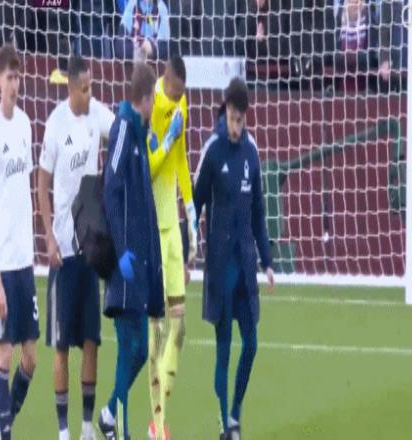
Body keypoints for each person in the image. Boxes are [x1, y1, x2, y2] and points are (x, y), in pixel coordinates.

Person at [38, 55, 115, 440]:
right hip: (63, 251)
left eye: (91, 87)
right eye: (84, 89)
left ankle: (87, 427)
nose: (90, 94)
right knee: (61, 346)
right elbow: (42, 184)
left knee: (91, 341)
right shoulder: (56, 124)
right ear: (71, 88)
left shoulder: (97, 114)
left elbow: (120, 132)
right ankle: (64, 431)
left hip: (91, 248)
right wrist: (49, 236)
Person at [193, 78, 275, 440]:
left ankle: (236, 413)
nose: (236, 126)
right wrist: (189, 245)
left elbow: (258, 210)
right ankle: (224, 423)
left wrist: (267, 260)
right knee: (224, 348)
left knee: (251, 344)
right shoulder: (212, 150)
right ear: (224, 110)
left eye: (241, 120)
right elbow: (194, 202)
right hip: (219, 265)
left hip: (245, 264)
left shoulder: (251, 151)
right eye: (232, 118)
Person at [98, 62, 165, 440]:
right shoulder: (123, 128)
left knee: (140, 350)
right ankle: (118, 430)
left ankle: (110, 415)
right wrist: (122, 250)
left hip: (139, 263)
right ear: (146, 98)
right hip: (125, 264)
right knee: (129, 348)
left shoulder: (139, 133)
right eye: (154, 98)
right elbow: (110, 188)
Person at [0, 44, 39, 440]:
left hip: (25, 261)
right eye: (9, 77)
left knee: (30, 358)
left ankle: (5, 424)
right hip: (4, 264)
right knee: (4, 352)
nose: (15, 84)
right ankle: (5, 432)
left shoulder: (25, 125)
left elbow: (25, 193)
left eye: (18, 76)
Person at [145, 55, 196, 440]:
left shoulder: (182, 104)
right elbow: (151, 167)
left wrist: (190, 210)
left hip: (173, 227)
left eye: (182, 95)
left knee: (179, 326)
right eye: (176, 93)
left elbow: (179, 160)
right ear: (166, 78)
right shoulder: (151, 105)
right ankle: (158, 425)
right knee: (157, 329)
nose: (179, 99)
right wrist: (165, 139)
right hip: (151, 229)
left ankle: (160, 413)